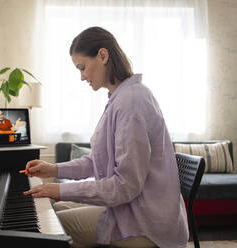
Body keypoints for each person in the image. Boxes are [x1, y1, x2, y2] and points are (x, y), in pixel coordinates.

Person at [23, 27, 188, 248]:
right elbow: (97, 161)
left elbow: (124, 186)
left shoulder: (131, 103)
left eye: (82, 67)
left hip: (147, 220)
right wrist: (54, 170)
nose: (81, 77)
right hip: (134, 206)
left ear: (103, 55)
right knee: (57, 210)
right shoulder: (120, 98)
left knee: (51, 228)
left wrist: (59, 190)